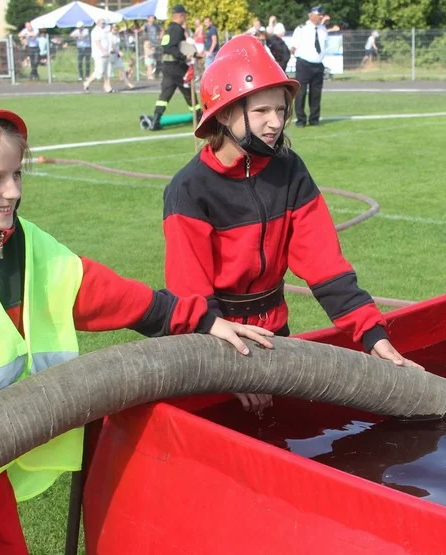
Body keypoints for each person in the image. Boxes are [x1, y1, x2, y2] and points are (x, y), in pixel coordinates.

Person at [0, 80, 271, 553]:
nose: (12, 192)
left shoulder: (20, 244)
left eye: (16, 175)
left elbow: (107, 294)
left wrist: (202, 320)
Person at [162, 35, 423, 413]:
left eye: (281, 110)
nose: (275, 122)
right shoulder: (189, 189)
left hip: (274, 340)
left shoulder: (290, 170)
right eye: (262, 111)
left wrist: (373, 336)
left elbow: (325, 265)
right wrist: (231, 367)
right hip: (213, 351)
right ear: (223, 113)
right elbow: (191, 295)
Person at [145, 5, 199, 131]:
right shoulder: (178, 29)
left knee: (165, 96)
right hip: (176, 66)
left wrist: (195, 54)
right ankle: (200, 117)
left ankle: (155, 121)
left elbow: (170, 46)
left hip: (167, 67)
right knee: (189, 92)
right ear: (180, 16)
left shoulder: (169, 29)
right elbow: (172, 48)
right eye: (184, 15)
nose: (185, 17)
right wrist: (183, 57)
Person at [290, 6, 329, 128]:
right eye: (319, 14)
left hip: (318, 65)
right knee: (301, 93)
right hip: (304, 64)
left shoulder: (323, 29)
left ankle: (314, 119)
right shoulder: (301, 29)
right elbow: (293, 45)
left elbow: (325, 46)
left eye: (321, 15)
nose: (321, 17)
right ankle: (301, 120)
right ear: (311, 15)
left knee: (316, 93)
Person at [83, 19, 112, 93]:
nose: (103, 24)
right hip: (99, 54)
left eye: (104, 23)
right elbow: (97, 42)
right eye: (102, 23)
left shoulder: (104, 30)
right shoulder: (95, 31)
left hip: (107, 54)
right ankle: (87, 83)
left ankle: (107, 87)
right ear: (98, 23)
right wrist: (104, 51)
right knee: (99, 71)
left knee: (107, 72)